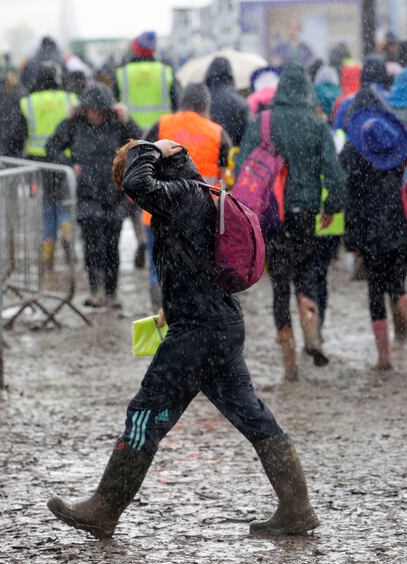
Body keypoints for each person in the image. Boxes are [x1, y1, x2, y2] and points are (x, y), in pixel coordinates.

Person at [47, 138, 319, 539]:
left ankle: (104, 508)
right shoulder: (199, 194)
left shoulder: (180, 195)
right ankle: (297, 507)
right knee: (252, 415)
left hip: (198, 332)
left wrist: (147, 149)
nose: (133, 198)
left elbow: (140, 185)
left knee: (144, 414)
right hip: (218, 325)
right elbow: (192, 262)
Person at [238, 62, 346, 381]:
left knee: (279, 284)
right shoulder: (316, 125)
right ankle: (312, 336)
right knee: (306, 273)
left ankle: (289, 363)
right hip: (306, 212)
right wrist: (333, 206)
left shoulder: (263, 122)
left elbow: (245, 166)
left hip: (272, 215)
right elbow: (335, 174)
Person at [340, 88, 407, 369]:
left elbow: (350, 199)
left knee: (376, 294)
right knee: (397, 285)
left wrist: (351, 240)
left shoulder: (353, 149)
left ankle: (384, 358)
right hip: (401, 228)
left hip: (371, 234)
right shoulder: (398, 144)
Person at [45, 84, 142, 308]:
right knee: (92, 244)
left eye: (99, 111)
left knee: (111, 246)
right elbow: (52, 147)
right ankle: (95, 290)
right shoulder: (73, 125)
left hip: (114, 196)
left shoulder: (119, 125)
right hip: (87, 195)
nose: (94, 115)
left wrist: (128, 121)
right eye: (90, 111)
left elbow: (141, 143)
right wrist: (69, 165)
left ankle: (111, 292)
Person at [143, 84, 234, 308]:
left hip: (159, 212)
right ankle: (191, 311)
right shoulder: (218, 133)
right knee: (197, 267)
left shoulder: (161, 125)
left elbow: (141, 159)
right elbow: (228, 178)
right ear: (205, 106)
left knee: (157, 265)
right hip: (199, 217)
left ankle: (160, 309)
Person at [18, 62, 79, 273]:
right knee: (65, 203)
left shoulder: (28, 102)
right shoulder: (70, 99)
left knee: (47, 207)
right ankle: (67, 231)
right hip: (65, 162)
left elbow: (20, 134)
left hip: (39, 162)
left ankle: (48, 257)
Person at [114, 31, 181, 130]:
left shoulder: (122, 73)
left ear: (135, 49)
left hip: (130, 134)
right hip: (162, 132)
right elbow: (177, 104)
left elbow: (115, 104)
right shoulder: (166, 72)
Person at [333, 55, 392, 132]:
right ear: (384, 73)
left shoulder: (348, 102)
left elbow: (337, 132)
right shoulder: (390, 100)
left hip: (353, 142)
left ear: (362, 73)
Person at [204, 57, 251, 146]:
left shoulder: (203, 101)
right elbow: (247, 138)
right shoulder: (239, 102)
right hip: (232, 156)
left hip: (207, 154)